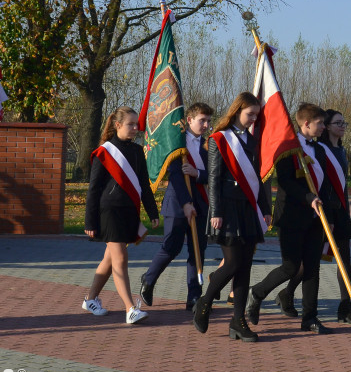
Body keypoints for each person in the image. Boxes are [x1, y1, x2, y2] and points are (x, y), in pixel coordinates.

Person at [192, 92, 270, 342]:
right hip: (226, 209)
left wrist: (265, 208)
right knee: (234, 262)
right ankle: (204, 302)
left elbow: (257, 178)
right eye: (250, 114)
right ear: (237, 111)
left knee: (245, 265)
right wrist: (215, 212)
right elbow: (213, 178)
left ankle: (238, 321)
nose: (253, 119)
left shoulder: (253, 140)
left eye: (256, 115)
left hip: (247, 208)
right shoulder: (219, 139)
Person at [247, 103, 332, 334]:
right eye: (320, 123)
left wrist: (327, 213)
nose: (323, 127)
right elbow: (284, 181)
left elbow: (324, 185)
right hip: (291, 216)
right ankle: (257, 292)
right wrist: (308, 197)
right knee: (291, 267)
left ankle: (310, 318)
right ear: (306, 123)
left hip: (316, 217)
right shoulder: (288, 148)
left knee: (312, 268)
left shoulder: (320, 149)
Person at [276, 109, 351, 325]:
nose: (342, 126)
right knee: (306, 263)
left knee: (344, 258)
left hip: (338, 211)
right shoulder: (319, 149)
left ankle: (345, 307)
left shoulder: (340, 151)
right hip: (321, 210)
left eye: (344, 122)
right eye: (337, 122)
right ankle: (286, 293)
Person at [82, 106, 160, 324]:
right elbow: (93, 189)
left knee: (109, 259)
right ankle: (129, 309)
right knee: (120, 258)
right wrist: (90, 220)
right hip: (110, 211)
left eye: (137, 125)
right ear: (117, 125)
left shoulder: (137, 151)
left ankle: (90, 299)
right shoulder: (104, 152)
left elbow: (144, 183)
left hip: (129, 211)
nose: (136, 128)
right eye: (130, 124)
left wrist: (152, 211)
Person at [140, 102, 213, 312]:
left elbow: (213, 175)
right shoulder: (176, 142)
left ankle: (194, 297)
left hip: (201, 204)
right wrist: (186, 203)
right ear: (189, 120)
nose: (206, 125)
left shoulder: (209, 146)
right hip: (178, 203)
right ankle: (149, 278)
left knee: (197, 249)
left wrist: (197, 173)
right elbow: (175, 174)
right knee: (171, 247)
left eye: (208, 121)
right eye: (202, 120)